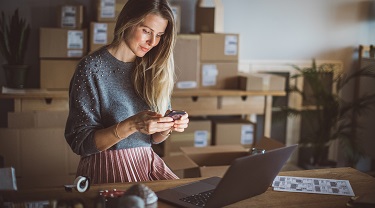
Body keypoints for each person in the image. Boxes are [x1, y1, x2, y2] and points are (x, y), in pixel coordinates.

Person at [64, 0, 189, 184]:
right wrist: (132, 125)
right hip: (106, 168)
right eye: (146, 31)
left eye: (159, 35)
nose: (152, 42)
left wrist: (168, 126)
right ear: (128, 21)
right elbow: (81, 143)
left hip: (146, 162)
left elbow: (153, 139)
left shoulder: (154, 69)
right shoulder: (91, 68)